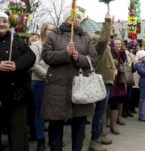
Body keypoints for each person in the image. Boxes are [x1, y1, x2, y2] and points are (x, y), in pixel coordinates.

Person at [42, 9, 98, 151]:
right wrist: (65, 54)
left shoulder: (85, 36)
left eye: (79, 17)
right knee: (56, 127)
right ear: (67, 18)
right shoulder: (54, 34)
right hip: (57, 89)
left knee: (79, 128)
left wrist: (79, 57)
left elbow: (94, 59)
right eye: (74, 16)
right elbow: (46, 56)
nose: (77, 19)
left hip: (80, 88)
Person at [0, 11, 36, 151]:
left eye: (4, 21)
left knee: (17, 136)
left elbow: (30, 56)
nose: (2, 24)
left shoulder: (17, 39)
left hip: (17, 95)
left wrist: (17, 64)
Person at [89, 14, 115, 151]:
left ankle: (99, 135)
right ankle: (94, 140)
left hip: (106, 81)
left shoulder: (104, 49)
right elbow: (104, 40)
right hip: (102, 82)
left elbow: (106, 40)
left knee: (102, 111)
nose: (104, 38)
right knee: (99, 112)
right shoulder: (97, 47)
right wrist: (107, 22)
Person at [30, 22, 55, 151]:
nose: (52, 31)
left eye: (54, 29)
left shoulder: (54, 46)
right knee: (39, 112)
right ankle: (40, 139)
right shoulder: (36, 45)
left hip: (53, 83)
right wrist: (48, 75)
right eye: (51, 29)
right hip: (39, 82)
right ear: (44, 30)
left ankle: (53, 139)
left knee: (52, 112)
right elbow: (33, 64)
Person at [108, 38, 127, 135]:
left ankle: (113, 124)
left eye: (120, 44)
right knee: (107, 102)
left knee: (115, 101)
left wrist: (123, 51)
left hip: (117, 80)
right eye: (116, 43)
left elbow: (123, 60)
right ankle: (107, 122)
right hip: (109, 79)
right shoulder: (110, 50)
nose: (118, 45)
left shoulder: (120, 52)